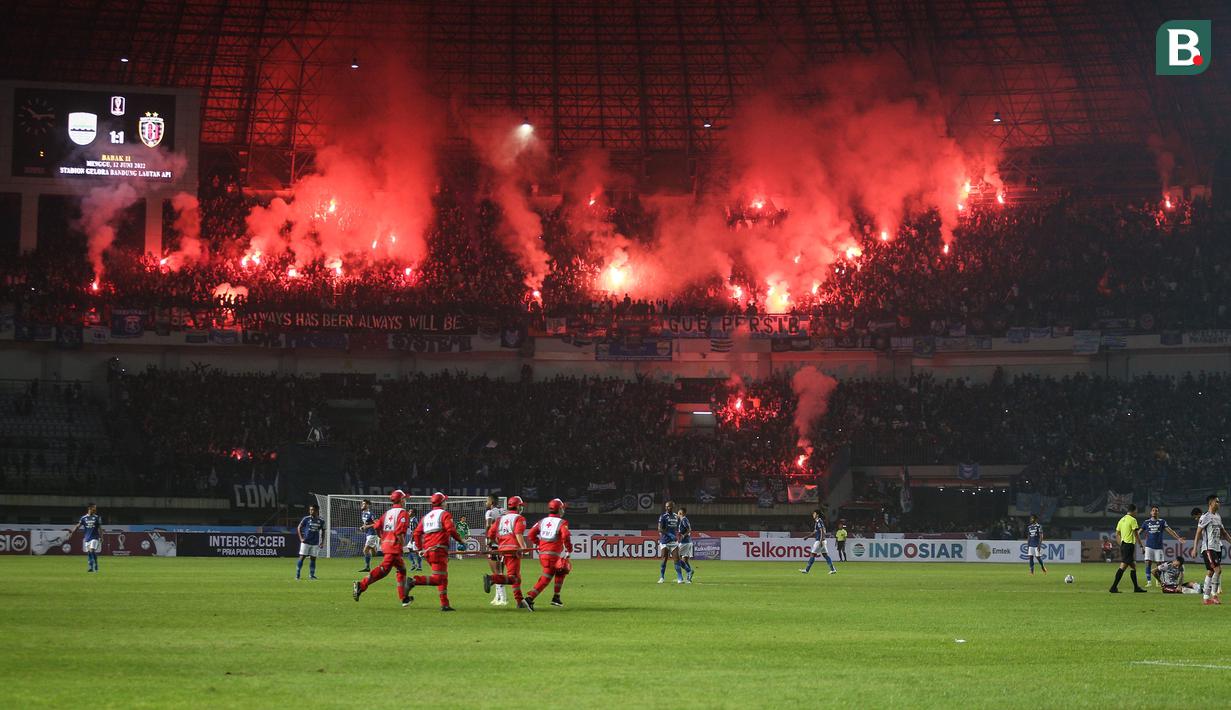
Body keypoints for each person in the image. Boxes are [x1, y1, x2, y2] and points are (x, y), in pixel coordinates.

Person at [352, 490, 413, 607]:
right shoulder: (403, 513)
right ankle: (361, 585)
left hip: (387, 545)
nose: (405, 501)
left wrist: (383, 538)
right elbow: (399, 533)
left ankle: (404, 598)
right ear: (401, 500)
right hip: (394, 547)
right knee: (384, 570)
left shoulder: (387, 513)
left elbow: (377, 526)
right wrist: (403, 546)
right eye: (404, 498)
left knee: (401, 569)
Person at [410, 492, 467, 612]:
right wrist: (461, 540)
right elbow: (451, 529)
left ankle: (445, 604)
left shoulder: (426, 517)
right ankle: (413, 581)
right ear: (442, 502)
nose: (446, 503)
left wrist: (420, 549)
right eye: (445, 501)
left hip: (429, 552)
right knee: (438, 579)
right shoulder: (444, 514)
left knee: (443, 577)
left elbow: (416, 533)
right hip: (438, 551)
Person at [523, 498, 572, 611]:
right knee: (546, 579)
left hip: (544, 554)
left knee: (562, 570)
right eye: (562, 508)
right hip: (552, 555)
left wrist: (539, 543)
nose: (563, 510)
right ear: (560, 509)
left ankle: (556, 597)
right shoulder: (562, 522)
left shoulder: (542, 521)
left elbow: (530, 534)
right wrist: (569, 549)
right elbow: (565, 536)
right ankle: (529, 599)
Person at [483, 495, 527, 608]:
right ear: (518, 507)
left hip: (502, 550)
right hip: (513, 550)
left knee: (516, 576)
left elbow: (490, 534)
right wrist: (523, 547)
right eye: (521, 506)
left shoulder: (500, 519)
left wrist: (497, 543)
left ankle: (519, 601)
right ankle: (491, 579)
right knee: (514, 578)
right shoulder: (519, 518)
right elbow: (518, 534)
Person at [1194, 494, 1231, 605]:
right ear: (1211, 503)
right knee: (1218, 570)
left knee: (1210, 572)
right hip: (1208, 548)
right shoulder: (1205, 516)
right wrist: (1194, 548)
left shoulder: (1218, 516)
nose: (1219, 504)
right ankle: (1214, 595)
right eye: (1217, 502)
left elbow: (1224, 533)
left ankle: (1206, 598)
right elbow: (1198, 533)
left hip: (1217, 547)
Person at [1140, 505, 1184, 586]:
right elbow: (1139, 532)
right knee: (1148, 562)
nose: (1154, 512)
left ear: (1158, 512)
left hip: (1158, 547)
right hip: (1149, 546)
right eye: (1153, 510)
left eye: (1156, 510)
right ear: (1150, 512)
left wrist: (1178, 538)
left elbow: (1170, 531)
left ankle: (1158, 581)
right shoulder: (1146, 522)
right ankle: (1149, 581)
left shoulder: (1162, 522)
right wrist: (1134, 539)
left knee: (1159, 565)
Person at [1109, 504, 1146, 594]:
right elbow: (1136, 534)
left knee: (1133, 566)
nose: (1136, 513)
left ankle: (1136, 587)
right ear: (1134, 510)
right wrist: (1141, 546)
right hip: (1129, 546)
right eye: (1136, 511)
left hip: (1124, 545)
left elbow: (1117, 534)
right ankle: (1113, 587)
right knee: (1123, 566)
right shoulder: (1133, 520)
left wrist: (1121, 544)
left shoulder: (1122, 520)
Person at [484, 494, 508, 605]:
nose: (486, 503)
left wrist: (488, 538)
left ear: (491, 502)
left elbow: (488, 526)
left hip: (493, 543)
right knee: (500, 571)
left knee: (496, 572)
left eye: (487, 501)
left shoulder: (489, 512)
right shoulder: (504, 511)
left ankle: (503, 598)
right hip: (502, 542)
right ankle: (498, 597)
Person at [68, 503, 103, 573]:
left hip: (95, 537)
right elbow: (78, 526)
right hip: (87, 538)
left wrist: (101, 537)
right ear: (89, 508)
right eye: (94, 508)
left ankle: (95, 565)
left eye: (95, 508)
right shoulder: (83, 518)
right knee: (89, 552)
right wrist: (72, 533)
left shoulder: (97, 517)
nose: (95, 509)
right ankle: (91, 567)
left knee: (92, 550)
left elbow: (100, 528)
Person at [799, 509, 836, 575]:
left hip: (819, 540)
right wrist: (807, 536)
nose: (813, 514)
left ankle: (807, 570)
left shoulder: (819, 521)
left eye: (814, 513)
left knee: (812, 554)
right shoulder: (817, 522)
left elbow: (822, 531)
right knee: (825, 555)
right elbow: (815, 531)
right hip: (823, 541)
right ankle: (833, 569)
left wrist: (821, 541)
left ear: (817, 515)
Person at [296, 504, 325, 580]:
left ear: (317, 511)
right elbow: (299, 527)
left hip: (315, 543)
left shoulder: (321, 521)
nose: (311, 511)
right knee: (302, 557)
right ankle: (297, 575)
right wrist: (301, 538)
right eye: (310, 510)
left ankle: (311, 575)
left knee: (313, 559)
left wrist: (322, 542)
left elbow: (323, 531)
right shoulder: (306, 519)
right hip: (306, 542)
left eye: (312, 510)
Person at [657, 500, 681, 584]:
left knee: (677, 559)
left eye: (669, 506)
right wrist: (669, 534)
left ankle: (680, 578)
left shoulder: (676, 516)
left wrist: (678, 535)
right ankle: (662, 577)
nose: (667, 508)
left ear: (673, 507)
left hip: (673, 541)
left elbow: (678, 527)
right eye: (666, 506)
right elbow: (659, 528)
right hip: (665, 541)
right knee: (664, 559)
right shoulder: (663, 516)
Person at [359, 499, 379, 572]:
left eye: (364, 504)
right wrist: (363, 527)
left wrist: (367, 526)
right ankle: (382, 552)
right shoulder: (363, 513)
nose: (362, 505)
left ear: (367, 505)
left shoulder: (371, 513)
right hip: (368, 534)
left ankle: (367, 567)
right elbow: (366, 523)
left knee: (365, 550)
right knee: (374, 553)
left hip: (372, 534)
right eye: (362, 504)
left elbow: (377, 523)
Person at [677, 506, 695, 584]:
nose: (677, 514)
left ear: (681, 513)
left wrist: (683, 535)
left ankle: (689, 571)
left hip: (685, 542)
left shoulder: (684, 520)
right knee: (685, 560)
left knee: (677, 558)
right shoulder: (683, 520)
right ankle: (689, 576)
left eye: (678, 512)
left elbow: (689, 529)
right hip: (687, 542)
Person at [406, 507, 423, 571]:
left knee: (417, 552)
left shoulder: (414, 520)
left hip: (415, 537)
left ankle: (418, 566)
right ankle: (415, 564)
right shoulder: (411, 520)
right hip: (414, 537)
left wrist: (412, 538)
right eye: (409, 511)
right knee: (408, 549)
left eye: (410, 512)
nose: (408, 513)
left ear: (413, 513)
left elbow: (415, 530)